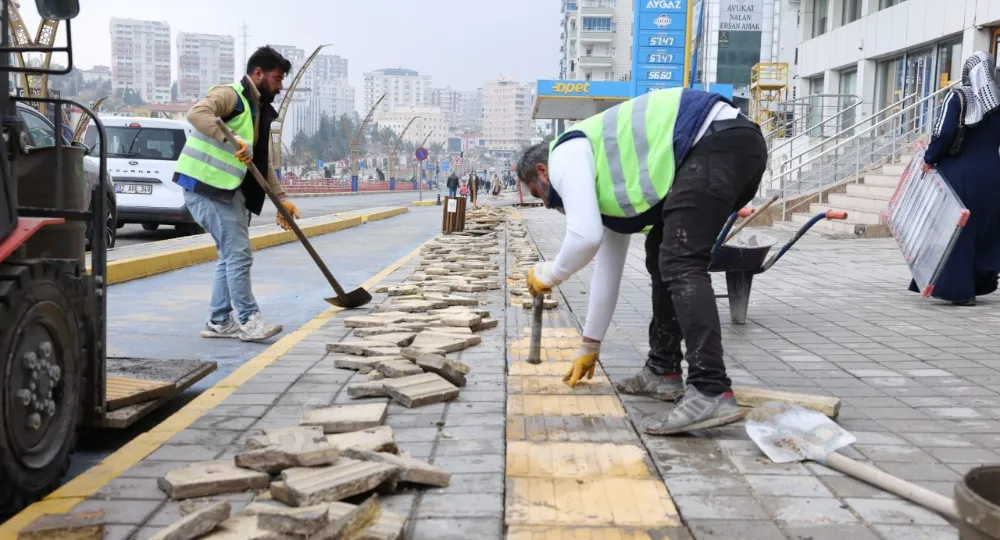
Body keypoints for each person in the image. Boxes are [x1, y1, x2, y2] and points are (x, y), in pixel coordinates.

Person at [518, 87, 767, 435]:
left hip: (714, 142)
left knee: (680, 261)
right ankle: (662, 371)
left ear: (542, 171)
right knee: (661, 251)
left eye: (536, 193)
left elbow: (584, 237)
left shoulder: (566, 151)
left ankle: (710, 389)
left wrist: (548, 273)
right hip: (730, 145)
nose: (543, 204)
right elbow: (607, 264)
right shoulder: (605, 183)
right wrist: (590, 344)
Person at [174, 46, 299, 342]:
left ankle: (219, 320)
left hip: (228, 191)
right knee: (239, 255)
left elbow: (261, 162)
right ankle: (249, 320)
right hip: (207, 187)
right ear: (258, 73)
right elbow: (197, 113)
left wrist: (281, 200)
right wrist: (232, 139)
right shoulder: (231, 95)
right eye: (277, 79)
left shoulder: (258, 110)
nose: (280, 86)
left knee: (229, 257)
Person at [914, 51, 1000, 306]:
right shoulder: (997, 101)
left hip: (960, 174)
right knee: (984, 228)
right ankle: (978, 282)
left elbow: (944, 132)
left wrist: (929, 158)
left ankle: (958, 290)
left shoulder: (958, 96)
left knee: (957, 230)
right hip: (993, 175)